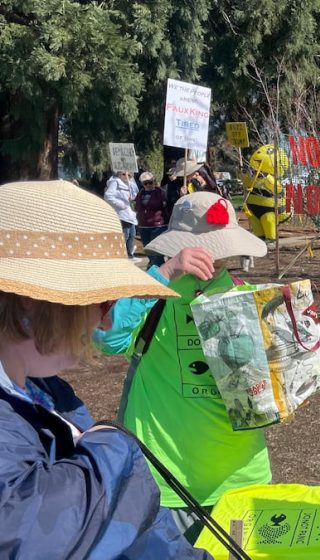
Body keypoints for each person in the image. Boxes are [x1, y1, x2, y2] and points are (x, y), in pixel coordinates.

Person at [0, 180, 209, 558]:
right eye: (103, 302)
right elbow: (30, 537)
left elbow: (134, 527)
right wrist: (114, 445)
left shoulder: (47, 393)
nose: (107, 322)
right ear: (30, 300)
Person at [95, 191, 269, 543]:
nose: (213, 260)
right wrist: (164, 274)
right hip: (165, 481)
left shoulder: (247, 296)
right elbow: (107, 337)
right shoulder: (154, 299)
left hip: (241, 479)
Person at [104, 170, 141, 262]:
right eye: (124, 174)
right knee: (125, 235)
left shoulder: (131, 184)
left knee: (132, 234)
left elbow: (134, 196)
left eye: (129, 175)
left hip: (130, 214)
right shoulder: (115, 182)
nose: (126, 176)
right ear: (120, 174)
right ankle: (121, 254)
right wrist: (121, 205)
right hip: (122, 214)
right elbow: (108, 196)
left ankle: (129, 254)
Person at [135, 171, 168, 268]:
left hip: (158, 225)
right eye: (145, 183)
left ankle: (156, 267)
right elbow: (137, 208)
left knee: (157, 250)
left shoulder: (160, 192)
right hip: (143, 225)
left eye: (150, 182)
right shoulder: (140, 194)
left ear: (154, 181)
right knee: (148, 248)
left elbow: (165, 207)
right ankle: (153, 266)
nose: (148, 185)